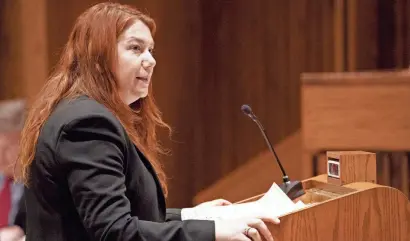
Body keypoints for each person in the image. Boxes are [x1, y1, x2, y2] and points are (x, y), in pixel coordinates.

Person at [15, 2, 279, 241]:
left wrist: (191, 216)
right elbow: (115, 231)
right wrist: (215, 232)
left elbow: (124, 214)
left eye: (150, 50)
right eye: (135, 48)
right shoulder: (88, 124)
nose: (151, 60)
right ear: (98, 57)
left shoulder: (85, 113)